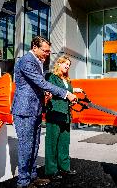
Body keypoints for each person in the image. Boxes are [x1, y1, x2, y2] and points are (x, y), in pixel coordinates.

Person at [11, 36, 77, 188]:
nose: (48, 54)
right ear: (35, 47)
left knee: (34, 145)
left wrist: (44, 93)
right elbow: (40, 82)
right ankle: (23, 181)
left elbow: (36, 86)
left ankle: (33, 177)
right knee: (26, 146)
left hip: (35, 109)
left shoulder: (38, 61)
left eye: (48, 51)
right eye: (45, 50)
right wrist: (66, 94)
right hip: (24, 110)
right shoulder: (27, 60)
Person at [44, 56, 82, 180]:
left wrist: (73, 98)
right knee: (52, 144)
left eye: (69, 64)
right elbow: (54, 91)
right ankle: (51, 170)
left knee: (64, 142)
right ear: (58, 64)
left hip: (66, 115)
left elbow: (68, 94)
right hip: (54, 114)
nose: (67, 66)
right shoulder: (51, 77)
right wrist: (69, 95)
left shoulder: (67, 80)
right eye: (65, 63)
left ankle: (65, 167)